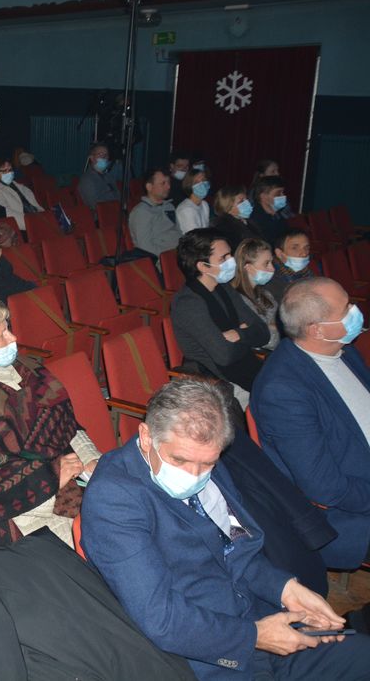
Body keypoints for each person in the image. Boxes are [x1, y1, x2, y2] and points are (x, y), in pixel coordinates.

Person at [82, 379, 370, 681]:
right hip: (210, 657)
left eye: (207, 463)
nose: (193, 476)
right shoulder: (114, 498)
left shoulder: (206, 461)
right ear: (145, 437)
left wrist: (285, 589)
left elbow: (236, 547)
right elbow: (160, 617)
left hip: (265, 621)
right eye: (179, 460)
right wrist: (254, 636)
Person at [0, 295, 99, 548]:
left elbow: (67, 423)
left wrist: (91, 459)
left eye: (8, 329)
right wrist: (52, 477)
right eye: (1, 336)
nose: (13, 338)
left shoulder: (26, 367)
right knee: (97, 549)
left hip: (68, 478)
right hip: (20, 516)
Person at [252, 277, 370, 570]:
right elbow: (327, 489)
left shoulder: (341, 351)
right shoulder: (283, 391)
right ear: (317, 329)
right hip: (349, 514)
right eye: (346, 308)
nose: (355, 311)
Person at [171, 228, 269, 403]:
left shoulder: (223, 287)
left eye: (230, 255)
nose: (231, 261)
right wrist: (246, 334)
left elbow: (263, 333)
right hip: (220, 384)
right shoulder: (188, 304)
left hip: (249, 369)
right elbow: (224, 356)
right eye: (223, 258)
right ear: (203, 266)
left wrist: (238, 333)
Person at [230, 238, 280, 351]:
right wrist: (272, 328)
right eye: (266, 264)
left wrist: (270, 328)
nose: (272, 268)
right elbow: (269, 341)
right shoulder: (237, 298)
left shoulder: (265, 294)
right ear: (248, 267)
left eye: (271, 262)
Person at [129, 168, 180, 258]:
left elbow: (178, 232)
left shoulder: (169, 206)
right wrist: (168, 257)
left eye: (169, 183)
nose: (168, 187)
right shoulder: (141, 212)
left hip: (178, 253)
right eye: (163, 183)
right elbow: (145, 247)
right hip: (161, 259)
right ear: (149, 187)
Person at [0, 158, 44, 232]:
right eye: (4, 171)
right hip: (23, 226)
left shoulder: (19, 186)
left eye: (10, 170)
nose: (9, 173)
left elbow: (35, 205)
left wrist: (44, 216)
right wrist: (32, 222)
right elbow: (7, 214)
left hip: (37, 218)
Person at [265, 229, 314, 303]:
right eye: (295, 248)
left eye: (306, 248)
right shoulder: (271, 280)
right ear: (279, 253)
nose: (304, 253)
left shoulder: (307, 272)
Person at [211, 186, 261, 252]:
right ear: (228, 206)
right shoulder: (223, 227)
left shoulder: (247, 221)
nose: (247, 203)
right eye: (241, 201)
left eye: (246, 199)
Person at [77, 143, 120, 210]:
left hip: (115, 209)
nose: (104, 157)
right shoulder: (87, 180)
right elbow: (94, 205)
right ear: (92, 158)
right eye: (100, 155)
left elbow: (118, 195)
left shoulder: (108, 176)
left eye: (106, 155)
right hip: (102, 214)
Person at [249, 176, 289, 246]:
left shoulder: (279, 214)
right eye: (278, 193)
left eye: (283, 192)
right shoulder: (255, 218)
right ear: (263, 196)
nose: (283, 195)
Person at [176, 169, 211, 234]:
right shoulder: (186, 209)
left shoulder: (204, 204)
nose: (202, 184)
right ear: (189, 185)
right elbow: (194, 237)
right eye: (197, 182)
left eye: (204, 180)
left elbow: (206, 229)